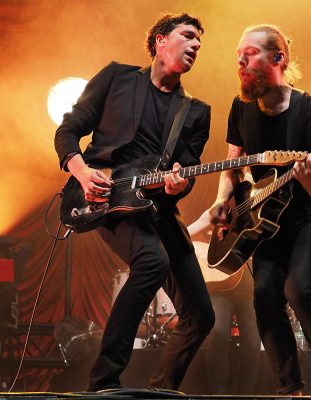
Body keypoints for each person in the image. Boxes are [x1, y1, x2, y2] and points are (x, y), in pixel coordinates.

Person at [54, 13, 214, 391]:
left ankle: (160, 390)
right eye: (187, 36)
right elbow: (68, 130)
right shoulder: (116, 78)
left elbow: (186, 171)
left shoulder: (196, 112)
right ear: (160, 40)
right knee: (152, 262)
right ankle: (103, 383)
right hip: (108, 199)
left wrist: (179, 186)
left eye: (199, 43)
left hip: (157, 207)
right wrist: (80, 171)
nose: (195, 46)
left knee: (201, 315)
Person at [207, 24, 311, 395]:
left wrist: (304, 177)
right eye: (238, 54)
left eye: (250, 53)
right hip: (262, 219)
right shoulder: (240, 108)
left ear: (278, 58)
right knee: (266, 297)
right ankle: (291, 388)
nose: (240, 59)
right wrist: (224, 199)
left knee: (301, 291)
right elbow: (233, 165)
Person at [187, 208, 261, 395]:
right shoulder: (222, 208)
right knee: (218, 333)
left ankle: (245, 395)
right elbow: (189, 235)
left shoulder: (257, 210)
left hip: (247, 286)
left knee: (252, 341)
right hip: (218, 288)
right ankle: (219, 394)